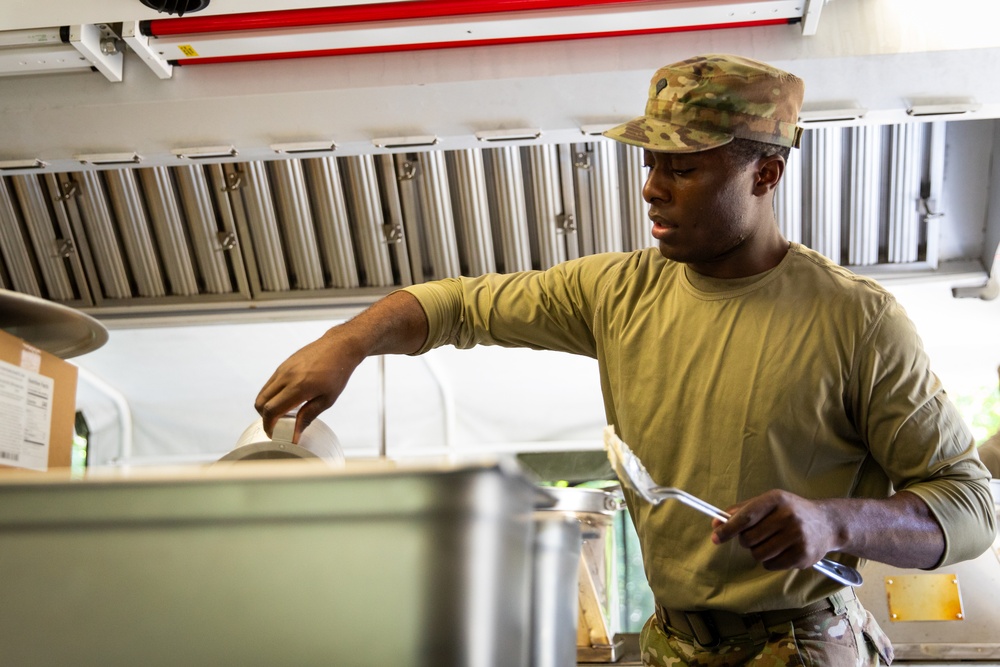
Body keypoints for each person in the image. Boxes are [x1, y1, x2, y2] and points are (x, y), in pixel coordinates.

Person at [255, 54, 996, 665]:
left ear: (764, 175)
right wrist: (347, 341)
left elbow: (969, 506)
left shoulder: (855, 320)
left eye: (683, 167)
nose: (651, 187)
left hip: (799, 645)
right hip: (671, 644)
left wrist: (835, 521)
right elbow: (460, 305)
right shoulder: (617, 293)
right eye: (650, 163)